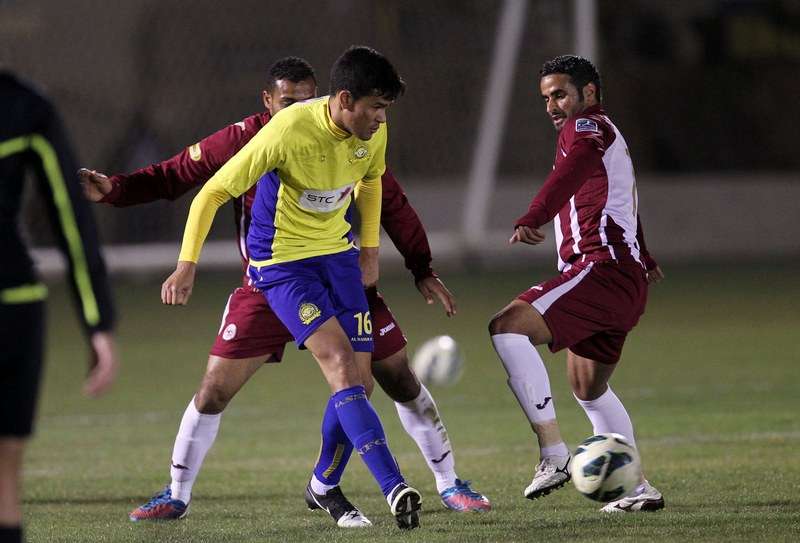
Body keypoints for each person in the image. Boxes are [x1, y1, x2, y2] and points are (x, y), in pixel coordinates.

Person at [82, 56, 489, 527]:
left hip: (336, 267)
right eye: (286, 101)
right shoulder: (253, 138)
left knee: (391, 375)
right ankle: (176, 493)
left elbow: (382, 190)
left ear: (327, 96)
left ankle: (442, 482)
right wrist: (118, 193)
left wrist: (407, 262)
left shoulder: (362, 131)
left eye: (304, 98)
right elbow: (179, 177)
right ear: (268, 102)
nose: (295, 107)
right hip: (270, 279)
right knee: (214, 389)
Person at [157, 45, 435, 529]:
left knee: (362, 383)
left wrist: (369, 250)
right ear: (345, 99)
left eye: (385, 109)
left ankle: (323, 485)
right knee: (340, 365)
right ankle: (394, 487)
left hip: (338, 258)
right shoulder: (287, 131)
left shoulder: (374, 131)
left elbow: (369, 182)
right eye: (374, 107)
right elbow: (213, 191)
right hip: (283, 265)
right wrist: (187, 264)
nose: (380, 118)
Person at [488, 55, 666, 513]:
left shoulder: (587, 128)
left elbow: (575, 168)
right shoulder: (609, 135)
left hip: (599, 270)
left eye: (560, 94)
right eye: (546, 97)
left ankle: (553, 454)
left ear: (588, 94)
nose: (551, 105)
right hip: (623, 279)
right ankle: (636, 488)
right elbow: (624, 201)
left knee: (508, 326)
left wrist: (535, 215)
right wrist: (644, 256)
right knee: (587, 387)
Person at [0, 71, 120, 543]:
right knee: (5, 478)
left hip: (12, 306)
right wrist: (98, 323)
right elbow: (70, 219)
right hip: (12, 307)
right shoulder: (25, 104)